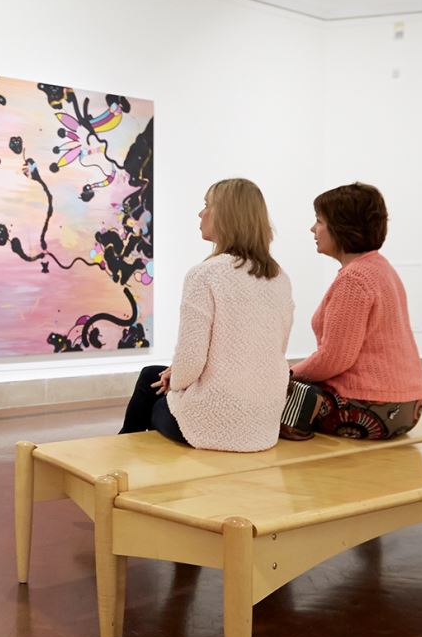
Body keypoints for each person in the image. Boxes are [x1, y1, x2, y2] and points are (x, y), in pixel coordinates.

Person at [119, 178, 294, 451]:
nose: (201, 214)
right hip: (263, 423)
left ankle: (118, 462)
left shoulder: (206, 274)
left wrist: (175, 380)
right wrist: (176, 374)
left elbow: (191, 360)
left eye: (206, 205)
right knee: (152, 375)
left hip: (216, 424)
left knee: (150, 385)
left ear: (225, 215)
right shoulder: (279, 277)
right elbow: (270, 350)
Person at [289, 182, 422, 439]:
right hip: (409, 405)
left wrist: (290, 372)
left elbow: (334, 358)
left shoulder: (354, 280)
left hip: (370, 406)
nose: (312, 229)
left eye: (319, 221)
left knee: (268, 394)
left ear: (341, 227)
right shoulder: (381, 268)